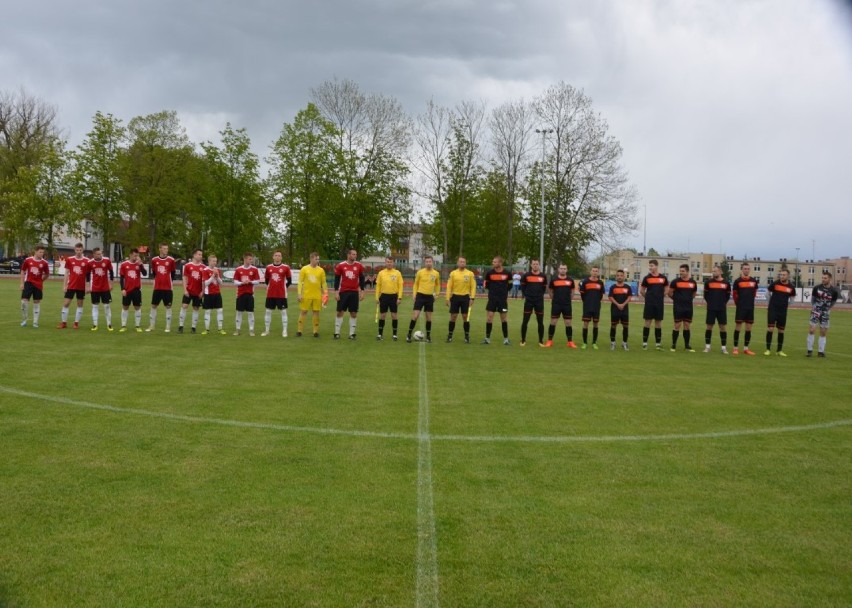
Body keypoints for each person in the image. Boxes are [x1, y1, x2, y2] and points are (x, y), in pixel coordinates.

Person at [406, 255, 440, 343]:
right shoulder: (420, 272)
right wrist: (414, 294)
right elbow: (415, 284)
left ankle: (428, 336)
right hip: (420, 296)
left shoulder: (436, 273)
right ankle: (409, 334)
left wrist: (436, 294)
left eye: (430, 261)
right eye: (427, 262)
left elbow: (437, 285)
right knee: (415, 315)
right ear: (425, 263)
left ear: (432, 263)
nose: (428, 263)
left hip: (429, 297)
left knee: (428, 318)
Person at [334, 248, 366, 340]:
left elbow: (362, 278)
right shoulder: (341, 266)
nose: (355, 256)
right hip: (343, 292)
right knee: (340, 312)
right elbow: (337, 280)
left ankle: (351, 334)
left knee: (353, 313)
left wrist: (362, 291)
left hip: (354, 292)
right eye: (353, 254)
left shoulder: (359, 266)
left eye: (355, 254)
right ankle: (337, 333)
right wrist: (336, 292)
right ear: (348, 255)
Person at [807, 271, 839, 358]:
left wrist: (826, 309)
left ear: (830, 279)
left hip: (825, 313)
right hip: (816, 311)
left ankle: (821, 352)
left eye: (825, 278)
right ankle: (809, 351)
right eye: (822, 278)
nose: (823, 279)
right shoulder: (816, 288)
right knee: (812, 330)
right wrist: (815, 308)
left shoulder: (834, 291)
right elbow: (813, 300)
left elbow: (833, 302)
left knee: (823, 332)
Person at [764, 268, 796, 356]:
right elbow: (767, 294)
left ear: (788, 276)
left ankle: (779, 350)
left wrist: (785, 306)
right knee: (770, 328)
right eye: (781, 275)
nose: (782, 276)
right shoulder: (775, 284)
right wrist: (770, 304)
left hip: (782, 311)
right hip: (773, 310)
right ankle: (768, 349)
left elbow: (792, 300)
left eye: (784, 275)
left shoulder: (791, 287)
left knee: (781, 330)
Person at [544, 264, 577, 348]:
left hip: (567, 304)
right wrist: (553, 298)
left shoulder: (570, 280)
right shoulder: (554, 280)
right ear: (559, 269)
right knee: (553, 322)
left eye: (564, 269)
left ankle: (570, 342)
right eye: (561, 268)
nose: (563, 270)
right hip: (556, 304)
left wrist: (570, 298)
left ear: (567, 270)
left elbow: (572, 290)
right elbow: (550, 290)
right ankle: (549, 341)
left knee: (568, 323)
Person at [57, 242, 89, 329]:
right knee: (66, 303)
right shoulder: (70, 259)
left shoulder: (86, 261)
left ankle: (76, 323)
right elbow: (66, 273)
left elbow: (88, 275)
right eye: (77, 250)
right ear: (74, 250)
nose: (79, 251)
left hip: (81, 286)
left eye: (80, 250)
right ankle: (64, 323)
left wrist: (87, 286)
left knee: (80, 304)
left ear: (83, 250)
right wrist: (64, 285)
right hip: (71, 285)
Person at [481, 256, 512, 345]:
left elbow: (510, 285)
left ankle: (506, 339)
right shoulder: (489, 273)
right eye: (493, 262)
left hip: (502, 300)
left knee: (504, 319)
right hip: (492, 300)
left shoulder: (507, 273)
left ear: (500, 263)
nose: (493, 263)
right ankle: (487, 339)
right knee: (489, 318)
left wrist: (503, 292)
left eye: (495, 262)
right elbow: (486, 284)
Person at [146, 242, 176, 332]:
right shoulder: (154, 260)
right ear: (160, 249)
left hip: (167, 288)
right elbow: (154, 273)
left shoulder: (171, 260)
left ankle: (168, 326)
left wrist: (169, 282)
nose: (166, 250)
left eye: (167, 248)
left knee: (168, 306)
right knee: (154, 305)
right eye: (164, 248)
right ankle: (151, 325)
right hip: (157, 287)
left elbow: (173, 273)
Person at [667, 264, 697, 351]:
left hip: (688, 307)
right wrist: (676, 300)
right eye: (680, 271)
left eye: (683, 271)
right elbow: (669, 293)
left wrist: (687, 299)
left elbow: (694, 294)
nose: (681, 273)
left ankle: (687, 345)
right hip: (678, 307)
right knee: (677, 325)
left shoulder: (693, 282)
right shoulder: (675, 282)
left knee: (687, 325)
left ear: (687, 271)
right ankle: (673, 345)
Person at [445, 256, 476, 343]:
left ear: (465, 263)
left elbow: (473, 287)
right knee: (453, 317)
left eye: (464, 262)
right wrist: (447, 298)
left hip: (466, 297)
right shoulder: (453, 273)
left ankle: (467, 337)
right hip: (455, 297)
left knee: (466, 317)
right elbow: (449, 287)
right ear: (458, 263)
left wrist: (472, 298)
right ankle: (450, 336)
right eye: (460, 262)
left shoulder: (470, 274)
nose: (462, 263)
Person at [297, 252, 328, 338]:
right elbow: (300, 282)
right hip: (306, 295)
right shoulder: (304, 269)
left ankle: (315, 331)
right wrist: (299, 294)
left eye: (318, 259)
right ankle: (299, 330)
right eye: (316, 259)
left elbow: (324, 283)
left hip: (317, 295)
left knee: (316, 312)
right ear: (311, 259)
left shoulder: (321, 270)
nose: (317, 260)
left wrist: (325, 293)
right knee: (303, 311)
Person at [263, 251, 292, 337]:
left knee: (283, 312)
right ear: (273, 257)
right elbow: (266, 281)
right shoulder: (268, 267)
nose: (277, 257)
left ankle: (284, 331)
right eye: (276, 255)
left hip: (281, 294)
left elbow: (289, 281)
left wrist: (283, 287)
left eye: (279, 256)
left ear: (281, 258)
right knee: (268, 311)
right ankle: (267, 330)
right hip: (270, 294)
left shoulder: (286, 267)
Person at [731, 262, 759, 355]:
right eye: (745, 268)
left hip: (750, 308)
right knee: (738, 327)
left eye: (748, 268)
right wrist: (738, 304)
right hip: (741, 307)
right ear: (742, 270)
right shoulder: (737, 281)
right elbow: (734, 295)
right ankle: (735, 348)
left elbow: (754, 293)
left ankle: (746, 349)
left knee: (748, 328)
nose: (746, 270)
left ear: (749, 270)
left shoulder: (754, 281)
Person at [703, 265, 731, 354]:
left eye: (715, 271)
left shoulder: (726, 283)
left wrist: (722, 303)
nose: (714, 273)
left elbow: (727, 296)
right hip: (711, 308)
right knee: (709, 327)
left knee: (722, 327)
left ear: (720, 272)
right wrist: (711, 303)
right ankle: (707, 347)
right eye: (713, 271)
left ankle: (723, 348)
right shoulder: (708, 282)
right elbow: (706, 295)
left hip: (721, 309)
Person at [20, 244, 50, 328]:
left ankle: (35, 322)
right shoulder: (28, 260)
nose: (42, 254)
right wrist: (22, 283)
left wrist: (41, 280)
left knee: (36, 302)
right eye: (40, 252)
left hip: (38, 285)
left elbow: (47, 274)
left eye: (43, 252)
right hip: (28, 283)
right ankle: (24, 320)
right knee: (24, 302)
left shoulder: (44, 263)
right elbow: (23, 271)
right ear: (36, 251)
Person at [519, 259, 548, 346]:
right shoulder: (526, 275)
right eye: (534, 264)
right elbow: (523, 287)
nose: (535, 265)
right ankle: (523, 340)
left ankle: (540, 341)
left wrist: (539, 295)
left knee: (540, 322)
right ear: (531, 265)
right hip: (529, 301)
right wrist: (527, 295)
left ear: (539, 265)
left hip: (539, 301)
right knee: (525, 321)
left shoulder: (543, 276)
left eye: (537, 264)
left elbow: (544, 288)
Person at [118, 248, 147, 332]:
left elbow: (145, 273)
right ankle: (123, 325)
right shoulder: (124, 264)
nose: (136, 257)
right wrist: (122, 289)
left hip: (137, 290)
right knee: (125, 307)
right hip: (127, 290)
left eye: (137, 256)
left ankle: (137, 326)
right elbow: (121, 278)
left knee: (137, 307)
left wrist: (141, 264)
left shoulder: (139, 264)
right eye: (135, 255)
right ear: (130, 255)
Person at [375, 256, 404, 341]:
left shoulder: (397, 273)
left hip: (394, 297)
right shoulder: (381, 273)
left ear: (393, 263)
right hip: (383, 296)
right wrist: (377, 297)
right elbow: (378, 286)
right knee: (382, 315)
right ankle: (380, 334)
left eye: (391, 262)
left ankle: (395, 335)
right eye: (387, 262)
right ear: (385, 262)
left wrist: (400, 297)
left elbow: (400, 286)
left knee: (394, 315)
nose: (389, 263)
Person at [232, 252, 261, 336]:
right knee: (239, 312)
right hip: (240, 294)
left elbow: (258, 281)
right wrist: (242, 283)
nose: (251, 260)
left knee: (250, 312)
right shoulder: (238, 269)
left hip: (250, 294)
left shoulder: (254, 269)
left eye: (251, 259)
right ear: (244, 259)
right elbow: (235, 282)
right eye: (249, 259)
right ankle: (237, 330)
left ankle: (251, 330)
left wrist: (250, 281)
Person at [87, 247, 115, 331]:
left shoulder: (106, 260)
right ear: (94, 254)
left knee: (107, 306)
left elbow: (111, 272)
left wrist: (111, 284)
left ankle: (109, 324)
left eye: (101, 253)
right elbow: (87, 275)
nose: (100, 255)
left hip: (105, 288)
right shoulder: (90, 262)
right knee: (95, 306)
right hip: (95, 288)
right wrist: (88, 286)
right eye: (98, 254)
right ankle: (95, 324)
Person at [178, 249, 205, 334]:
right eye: (199, 254)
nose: (200, 256)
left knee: (196, 308)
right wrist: (185, 289)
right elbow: (184, 278)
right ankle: (181, 326)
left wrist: (202, 292)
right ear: (194, 255)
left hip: (198, 292)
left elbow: (204, 281)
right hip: (189, 291)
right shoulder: (187, 266)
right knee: (184, 306)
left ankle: (193, 327)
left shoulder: (203, 267)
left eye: (201, 255)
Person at [579, 265, 605, 350]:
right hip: (587, 306)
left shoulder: (600, 283)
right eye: (593, 271)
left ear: (598, 272)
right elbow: (582, 294)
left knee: (596, 324)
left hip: (596, 306)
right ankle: (584, 343)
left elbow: (601, 295)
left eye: (596, 271)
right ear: (590, 272)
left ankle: (594, 343)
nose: (595, 272)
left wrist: (596, 301)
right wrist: (586, 302)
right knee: (586, 324)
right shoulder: (585, 282)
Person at [201, 254, 226, 335]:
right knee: (208, 311)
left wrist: (217, 276)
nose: (215, 262)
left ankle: (220, 329)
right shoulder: (205, 270)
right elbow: (206, 283)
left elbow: (221, 283)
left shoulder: (217, 269)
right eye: (213, 261)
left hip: (217, 293)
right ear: (209, 261)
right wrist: (212, 276)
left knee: (220, 310)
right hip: (208, 294)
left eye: (215, 261)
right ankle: (207, 329)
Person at [608, 269, 633, 350]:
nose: (619, 277)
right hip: (615, 309)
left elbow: (629, 297)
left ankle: (624, 343)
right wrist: (618, 304)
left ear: (624, 277)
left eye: (621, 276)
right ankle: (613, 343)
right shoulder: (613, 287)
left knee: (625, 326)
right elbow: (610, 297)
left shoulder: (627, 287)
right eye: (618, 275)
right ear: (616, 277)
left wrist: (623, 304)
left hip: (624, 309)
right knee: (613, 326)